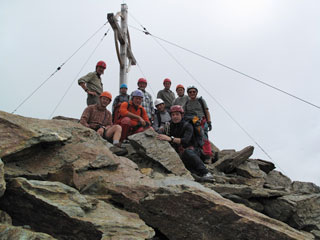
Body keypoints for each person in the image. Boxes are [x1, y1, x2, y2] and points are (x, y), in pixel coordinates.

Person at [157, 105, 212, 179]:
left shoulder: (188, 125)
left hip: (194, 151)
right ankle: (194, 173)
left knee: (188, 152)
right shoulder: (170, 126)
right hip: (181, 152)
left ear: (182, 115)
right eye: (173, 115)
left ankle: (206, 173)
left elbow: (185, 141)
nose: (175, 117)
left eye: (177, 114)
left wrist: (170, 139)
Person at [79, 91, 127, 156]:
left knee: (118, 127)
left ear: (109, 102)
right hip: (91, 130)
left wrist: (103, 128)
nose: (105, 101)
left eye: (107, 100)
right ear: (100, 99)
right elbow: (83, 120)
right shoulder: (90, 108)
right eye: (104, 99)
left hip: (103, 132)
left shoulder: (108, 113)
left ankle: (115, 145)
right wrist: (90, 129)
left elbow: (110, 125)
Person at [184, 86, 213, 161]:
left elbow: (206, 111)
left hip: (202, 121)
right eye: (190, 92)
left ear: (196, 93)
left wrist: (209, 121)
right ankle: (199, 155)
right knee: (195, 139)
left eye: (194, 92)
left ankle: (208, 155)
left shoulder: (201, 100)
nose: (192, 93)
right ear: (188, 94)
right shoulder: (187, 103)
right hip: (192, 121)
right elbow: (184, 113)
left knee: (204, 137)